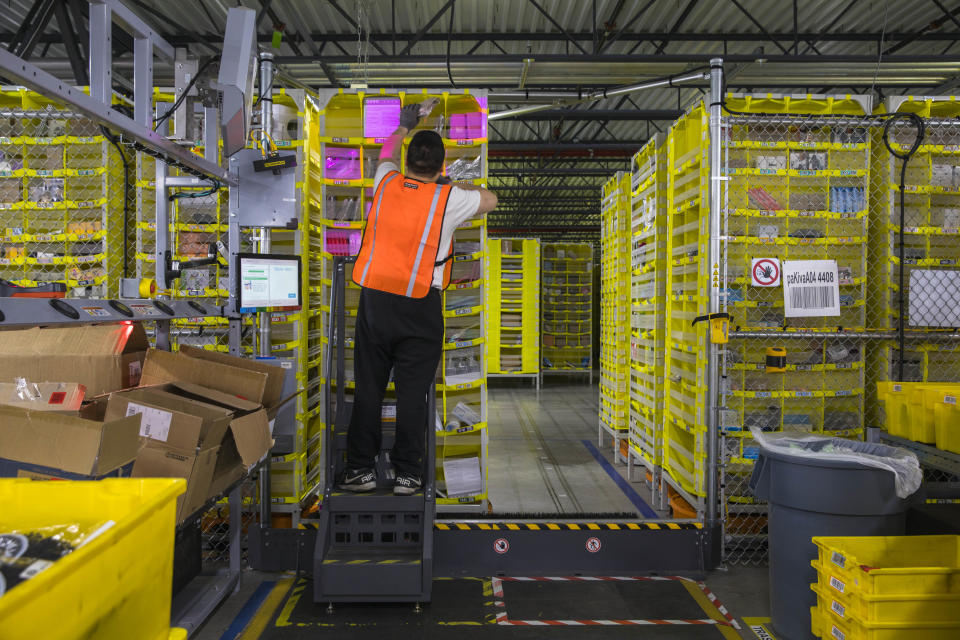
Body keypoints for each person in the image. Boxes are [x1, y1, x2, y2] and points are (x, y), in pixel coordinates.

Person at [340, 103, 498, 495]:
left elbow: (386, 153)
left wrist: (403, 125)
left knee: (369, 389)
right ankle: (408, 475)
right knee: (412, 394)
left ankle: (360, 470)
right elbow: (490, 199)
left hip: (375, 303)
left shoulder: (386, 183)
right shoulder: (447, 200)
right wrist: (453, 185)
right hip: (420, 306)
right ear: (441, 165)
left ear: (407, 160)